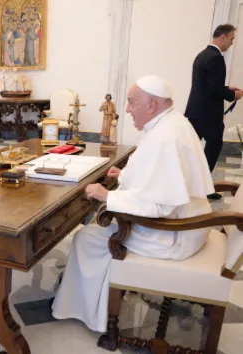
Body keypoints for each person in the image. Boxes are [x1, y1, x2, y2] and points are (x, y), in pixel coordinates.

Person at [52, 75, 214, 333]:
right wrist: (125, 175)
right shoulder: (172, 123)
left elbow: (158, 206)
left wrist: (107, 196)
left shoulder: (166, 137)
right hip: (186, 224)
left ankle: (83, 311)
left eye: (131, 102)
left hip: (173, 234)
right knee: (96, 230)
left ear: (152, 105)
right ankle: (97, 295)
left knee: (86, 238)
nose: (126, 109)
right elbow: (158, 180)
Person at [185, 24, 243, 200]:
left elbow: (207, 85)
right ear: (223, 37)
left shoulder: (202, 55)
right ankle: (202, 187)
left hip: (195, 111)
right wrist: (234, 94)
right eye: (231, 39)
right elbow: (215, 90)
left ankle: (189, 185)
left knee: (190, 151)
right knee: (213, 148)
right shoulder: (216, 58)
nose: (232, 43)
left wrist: (226, 88)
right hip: (209, 115)